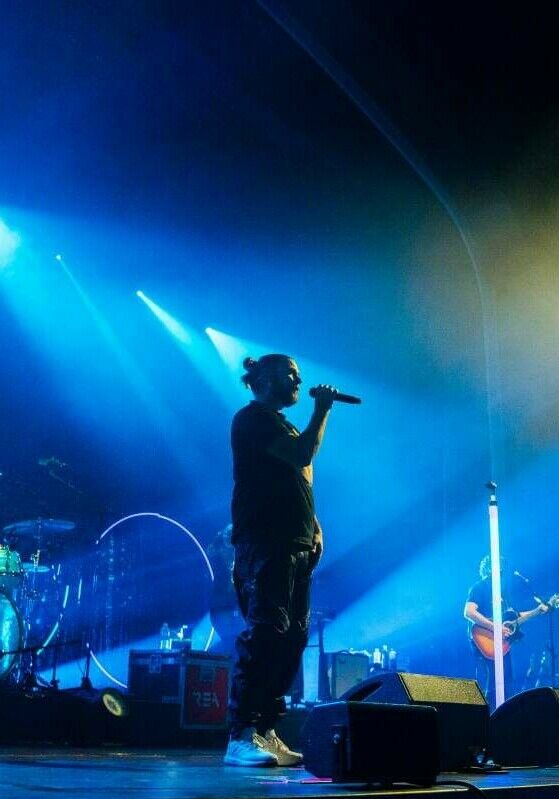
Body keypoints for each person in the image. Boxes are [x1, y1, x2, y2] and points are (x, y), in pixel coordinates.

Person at [224, 354, 337, 767]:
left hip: (294, 546)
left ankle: (266, 728)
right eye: (291, 374)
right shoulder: (252, 419)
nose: (298, 381)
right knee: (266, 634)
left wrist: (314, 529)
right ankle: (241, 735)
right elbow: (303, 454)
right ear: (267, 378)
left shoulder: (283, 424)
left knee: (292, 640)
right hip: (264, 543)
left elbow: (298, 480)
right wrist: (322, 410)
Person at [463, 555, 548, 707]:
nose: (501, 569)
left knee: (507, 682)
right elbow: (469, 612)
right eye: (498, 565)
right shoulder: (479, 587)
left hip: (502, 643)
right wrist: (495, 628)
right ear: (488, 568)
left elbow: (514, 616)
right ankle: (487, 716)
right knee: (491, 682)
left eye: (502, 566)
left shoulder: (502, 592)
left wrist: (537, 611)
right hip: (485, 641)